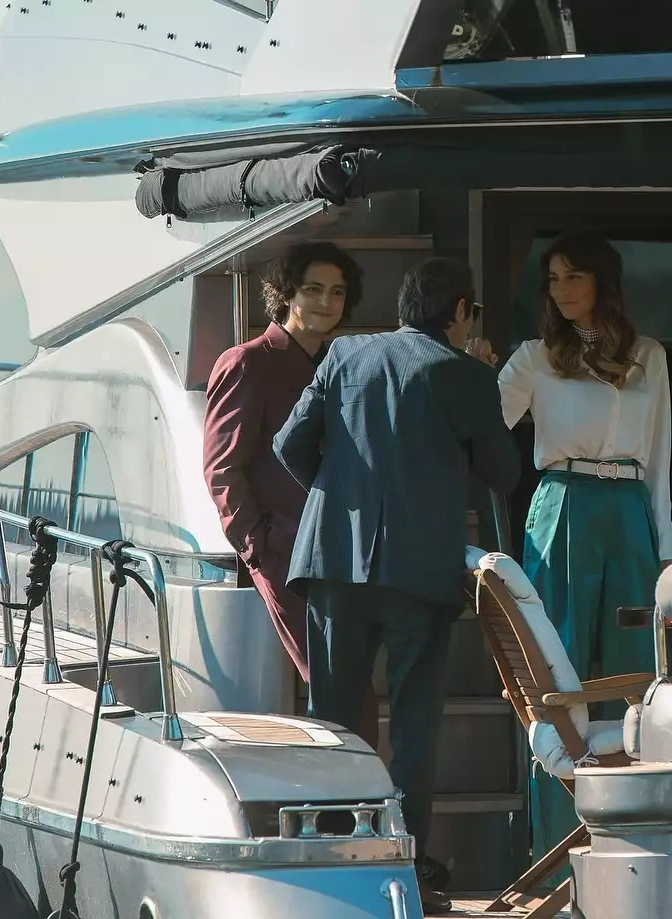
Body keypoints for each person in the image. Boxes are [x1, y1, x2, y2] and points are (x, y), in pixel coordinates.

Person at [274, 256, 520, 914]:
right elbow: (503, 470)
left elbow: (289, 445)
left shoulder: (344, 354)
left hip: (334, 563)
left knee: (331, 725)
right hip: (418, 574)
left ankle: (329, 868)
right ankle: (403, 873)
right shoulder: (463, 373)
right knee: (412, 730)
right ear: (460, 312)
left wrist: (342, 501)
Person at [489, 228, 672, 875]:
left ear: (603, 280)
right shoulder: (534, 356)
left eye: (575, 275)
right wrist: (470, 371)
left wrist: (666, 547)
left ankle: (637, 841)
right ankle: (554, 851)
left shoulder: (648, 355)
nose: (562, 290)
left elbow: (660, 459)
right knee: (556, 669)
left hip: (628, 506)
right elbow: (484, 429)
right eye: (553, 279)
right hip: (562, 502)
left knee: (637, 670)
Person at [202, 241, 379, 743]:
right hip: (286, 551)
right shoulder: (248, 362)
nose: (326, 301)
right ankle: (355, 788)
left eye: (337, 292)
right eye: (313, 289)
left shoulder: (339, 364)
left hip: (342, 553)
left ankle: (353, 785)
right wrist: (259, 546)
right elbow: (221, 468)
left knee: (347, 690)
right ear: (285, 294)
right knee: (342, 691)